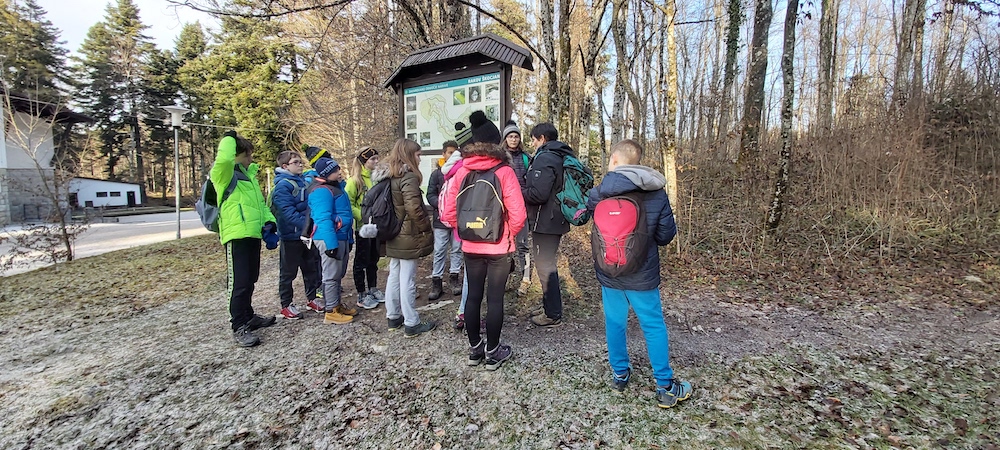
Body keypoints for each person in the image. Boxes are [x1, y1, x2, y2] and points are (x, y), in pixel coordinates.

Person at [586, 139, 692, 409]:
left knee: (615, 322)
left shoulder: (598, 193)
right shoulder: (655, 193)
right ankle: (665, 386)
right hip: (642, 274)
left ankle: (620, 374)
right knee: (653, 326)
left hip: (609, 270)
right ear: (637, 163)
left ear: (614, 160)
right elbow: (666, 236)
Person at [441, 142, 526, 370]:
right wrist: (507, 234)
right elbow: (518, 214)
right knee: (495, 299)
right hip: (498, 246)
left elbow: (448, 212)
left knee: (473, 296)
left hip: (470, 246)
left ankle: (475, 349)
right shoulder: (504, 171)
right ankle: (493, 351)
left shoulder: (462, 172)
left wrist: (465, 233)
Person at [210, 131, 277, 347]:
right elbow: (223, 159)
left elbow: (261, 205)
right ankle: (238, 325)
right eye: (247, 155)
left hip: (252, 234)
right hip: (236, 235)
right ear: (236, 155)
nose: (251, 159)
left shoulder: (249, 178)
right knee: (238, 282)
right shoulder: (223, 175)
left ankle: (249, 316)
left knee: (250, 278)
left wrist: (270, 222)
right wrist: (229, 139)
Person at [375, 138, 436, 337]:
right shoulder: (408, 177)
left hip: (393, 232)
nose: (419, 159)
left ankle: (393, 316)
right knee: (407, 278)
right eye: (418, 155)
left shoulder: (389, 175)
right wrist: (425, 227)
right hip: (408, 233)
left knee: (395, 273)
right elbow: (413, 207)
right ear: (409, 155)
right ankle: (411, 322)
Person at [523, 122, 574, 328]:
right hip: (555, 218)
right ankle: (548, 305)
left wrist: (519, 191)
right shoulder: (561, 155)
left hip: (545, 221)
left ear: (542, 139)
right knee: (546, 264)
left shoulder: (545, 158)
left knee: (545, 266)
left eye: (533, 140)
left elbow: (539, 194)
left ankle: (552, 314)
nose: (532, 144)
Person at [271, 150, 322, 320]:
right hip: (291, 236)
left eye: (301, 162)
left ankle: (312, 298)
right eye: (295, 162)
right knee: (288, 272)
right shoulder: (282, 186)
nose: (300, 165)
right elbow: (287, 212)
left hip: (306, 235)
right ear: (285, 166)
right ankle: (286, 304)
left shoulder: (304, 182)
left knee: (310, 268)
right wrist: (307, 225)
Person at [308, 157, 356, 325]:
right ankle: (331, 311)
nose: (339, 172)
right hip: (329, 237)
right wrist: (331, 244)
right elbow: (323, 219)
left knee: (337, 274)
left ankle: (336, 305)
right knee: (331, 275)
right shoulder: (321, 191)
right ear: (327, 174)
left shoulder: (335, 187)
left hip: (340, 235)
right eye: (336, 171)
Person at [345, 146, 384, 310]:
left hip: (376, 225)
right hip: (363, 227)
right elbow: (348, 203)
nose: (376, 161)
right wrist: (362, 215)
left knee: (373, 259)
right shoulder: (355, 181)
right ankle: (361, 293)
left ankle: (373, 288)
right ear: (363, 161)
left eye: (377, 158)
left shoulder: (378, 178)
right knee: (361, 260)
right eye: (372, 159)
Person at [425, 140, 463, 300]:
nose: (452, 156)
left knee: (457, 249)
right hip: (440, 219)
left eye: (455, 153)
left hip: (457, 219)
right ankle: (437, 280)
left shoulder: (461, 172)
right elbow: (430, 194)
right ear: (443, 154)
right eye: (449, 153)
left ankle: (454, 277)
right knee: (440, 249)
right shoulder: (437, 174)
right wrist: (441, 205)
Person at [501, 120, 532, 294]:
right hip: (504, 208)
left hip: (521, 207)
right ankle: (504, 278)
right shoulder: (500, 157)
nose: (513, 139)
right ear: (505, 138)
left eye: (516, 136)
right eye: (510, 136)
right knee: (505, 245)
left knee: (522, 244)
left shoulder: (526, 157)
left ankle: (525, 278)